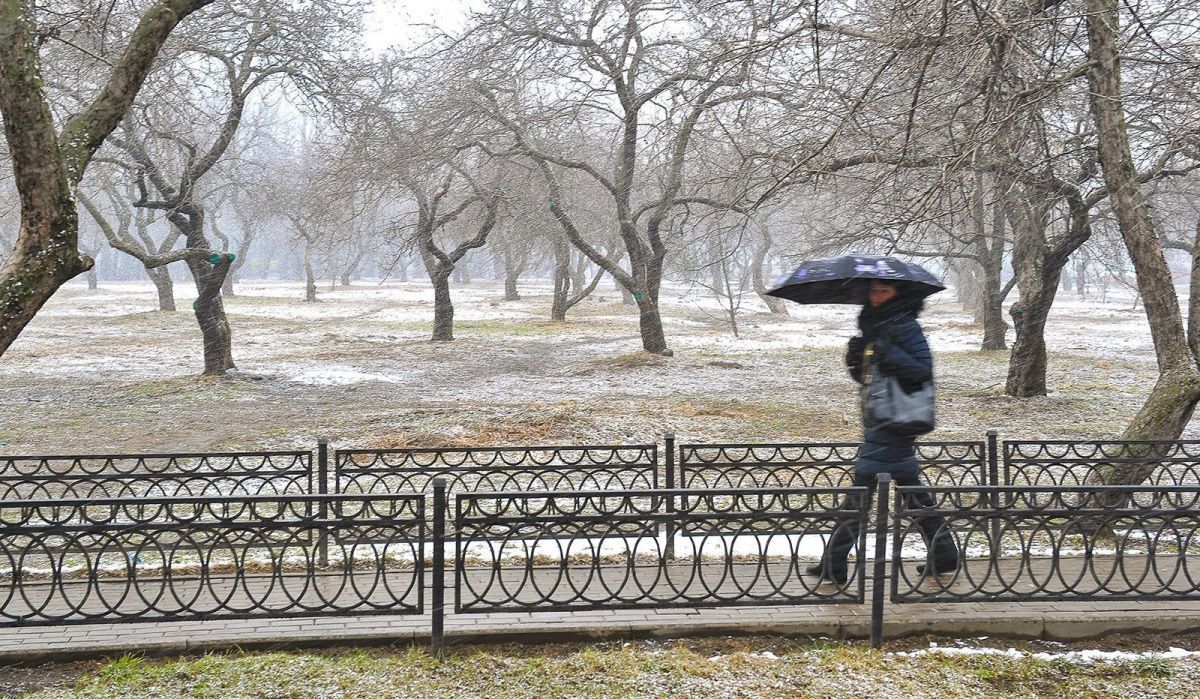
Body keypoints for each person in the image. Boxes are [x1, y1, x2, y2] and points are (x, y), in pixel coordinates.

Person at [807, 278, 960, 584]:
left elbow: (921, 370)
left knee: (860, 494)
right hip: (881, 419)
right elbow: (870, 378)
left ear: (897, 293)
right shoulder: (876, 326)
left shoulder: (903, 325)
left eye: (883, 290)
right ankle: (944, 552)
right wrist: (855, 358)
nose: (876, 296)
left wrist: (883, 351)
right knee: (911, 493)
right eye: (873, 290)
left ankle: (834, 563)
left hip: (894, 421)